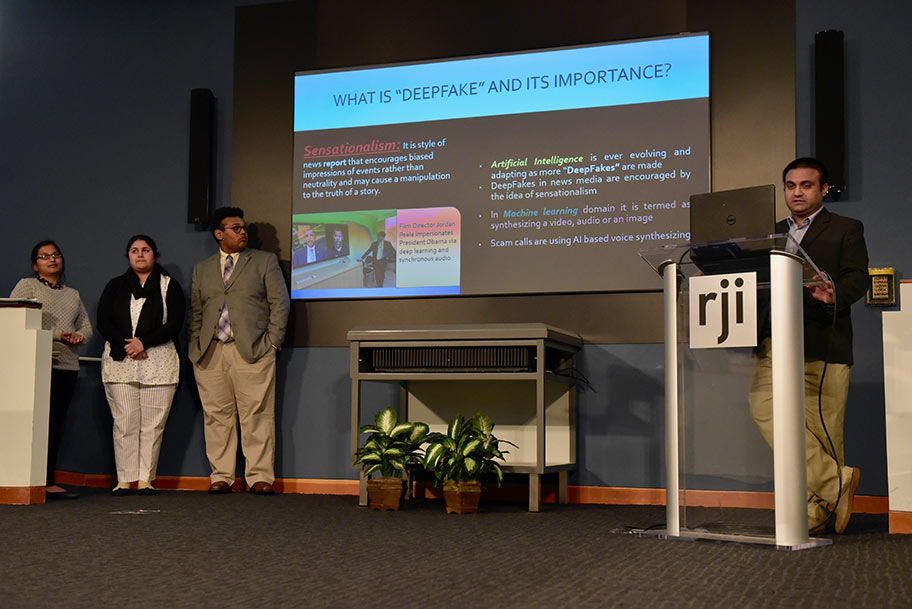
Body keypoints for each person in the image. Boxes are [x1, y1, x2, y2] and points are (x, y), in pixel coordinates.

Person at [748, 157, 869, 534]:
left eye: (806, 185)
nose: (796, 192)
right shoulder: (768, 234)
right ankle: (837, 483)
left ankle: (817, 511)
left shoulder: (846, 228)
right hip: (775, 342)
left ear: (822, 189)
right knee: (762, 407)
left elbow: (857, 278)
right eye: (790, 185)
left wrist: (835, 294)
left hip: (824, 342)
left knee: (824, 432)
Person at [188, 207, 290, 495]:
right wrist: (195, 347)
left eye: (244, 227)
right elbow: (196, 313)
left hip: (254, 350)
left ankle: (259, 478)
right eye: (235, 228)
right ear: (219, 234)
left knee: (256, 415)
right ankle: (221, 476)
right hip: (210, 353)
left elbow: (280, 304)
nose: (242, 231)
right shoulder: (202, 268)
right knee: (216, 416)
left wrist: (272, 343)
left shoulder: (264, 261)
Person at [97, 235, 185, 496]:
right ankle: (124, 479)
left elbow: (174, 324)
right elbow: (103, 321)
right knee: (125, 423)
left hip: (158, 362)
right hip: (121, 362)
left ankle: (145, 479)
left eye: (145, 250)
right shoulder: (115, 286)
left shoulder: (169, 286)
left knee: (152, 425)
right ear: (128, 256)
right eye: (134, 251)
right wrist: (127, 345)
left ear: (154, 255)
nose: (140, 255)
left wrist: (143, 342)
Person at [10, 240, 93, 500]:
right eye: (44, 256)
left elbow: (86, 326)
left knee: (55, 425)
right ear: (36, 265)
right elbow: (14, 318)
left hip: (65, 365)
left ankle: (47, 481)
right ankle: (23, 481)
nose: (52, 259)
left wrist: (79, 336)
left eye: (56, 254)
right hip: (34, 364)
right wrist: (57, 334)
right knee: (33, 424)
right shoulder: (28, 285)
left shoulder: (73, 294)